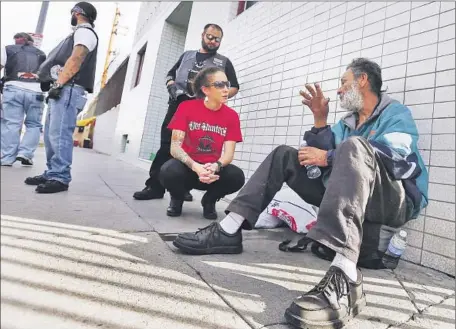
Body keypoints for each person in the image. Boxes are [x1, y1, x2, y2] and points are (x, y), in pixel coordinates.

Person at [172, 58, 429, 328]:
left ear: (362, 80)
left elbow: (399, 156)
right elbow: (315, 159)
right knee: (285, 155)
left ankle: (345, 276)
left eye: (344, 82)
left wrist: (329, 155)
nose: (340, 90)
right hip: (353, 194)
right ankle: (228, 230)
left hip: (394, 199)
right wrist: (320, 119)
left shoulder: (395, 113)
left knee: (353, 147)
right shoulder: (346, 124)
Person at [133, 23, 240, 202]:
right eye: (210, 37)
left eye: (217, 39)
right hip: (178, 106)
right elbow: (170, 75)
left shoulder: (223, 62)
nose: (213, 41)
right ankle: (154, 186)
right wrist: (172, 88)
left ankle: (183, 189)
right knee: (167, 146)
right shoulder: (186, 56)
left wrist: (216, 97)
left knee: (193, 148)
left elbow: (235, 86)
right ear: (202, 35)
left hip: (203, 109)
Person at [24, 2, 98, 193]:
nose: (72, 16)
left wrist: (58, 84)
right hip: (64, 88)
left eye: (73, 13)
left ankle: (60, 176)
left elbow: (76, 58)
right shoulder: (80, 32)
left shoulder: (84, 32)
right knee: (51, 134)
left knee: (59, 134)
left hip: (69, 88)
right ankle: (52, 172)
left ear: (77, 13)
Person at [159, 67, 245, 219]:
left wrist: (215, 166)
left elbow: (229, 154)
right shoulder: (186, 107)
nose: (226, 89)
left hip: (212, 171)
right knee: (168, 170)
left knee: (237, 176)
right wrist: (195, 167)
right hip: (188, 168)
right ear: (205, 89)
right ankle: (177, 198)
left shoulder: (231, 116)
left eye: (227, 84)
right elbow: (175, 148)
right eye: (219, 85)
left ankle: (209, 201)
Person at [1, 32, 46, 166]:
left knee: (11, 123)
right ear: (31, 42)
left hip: (13, 87)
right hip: (36, 90)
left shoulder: (8, 49)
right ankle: (25, 154)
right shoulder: (41, 53)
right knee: (33, 124)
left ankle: (7, 158)